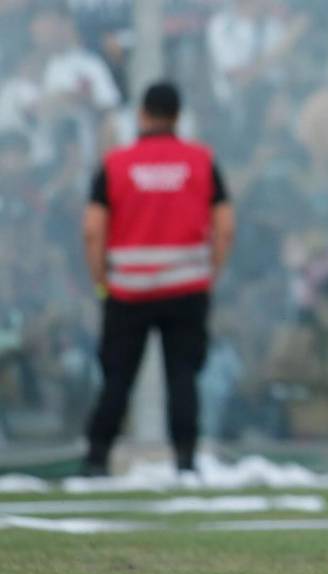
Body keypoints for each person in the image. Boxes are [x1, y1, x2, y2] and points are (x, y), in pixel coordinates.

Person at [80, 82, 235, 476]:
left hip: (128, 289)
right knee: (183, 375)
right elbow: (225, 225)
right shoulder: (201, 161)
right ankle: (185, 460)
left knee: (117, 376)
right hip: (187, 287)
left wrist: (102, 281)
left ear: (142, 115)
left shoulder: (116, 164)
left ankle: (96, 459)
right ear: (179, 117)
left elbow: (93, 230)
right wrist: (210, 271)